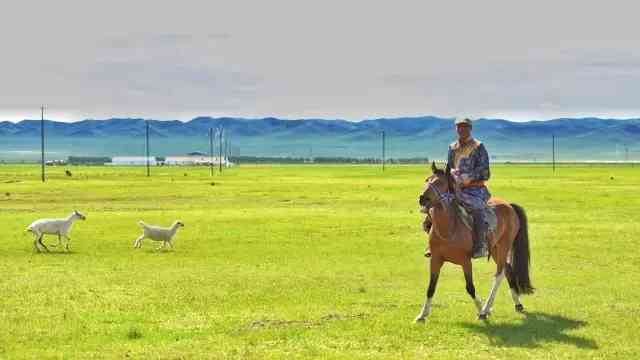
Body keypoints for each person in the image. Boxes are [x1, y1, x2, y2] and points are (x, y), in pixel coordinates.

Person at [446, 117, 491, 258]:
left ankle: (480, 246)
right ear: (456, 129)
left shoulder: (478, 146)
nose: (461, 130)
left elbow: (485, 171)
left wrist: (468, 178)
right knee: (437, 204)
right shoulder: (452, 147)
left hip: (475, 190)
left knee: (477, 209)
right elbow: (450, 167)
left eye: (465, 127)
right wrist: (451, 173)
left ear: (470, 129)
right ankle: (433, 243)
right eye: (459, 127)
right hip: (456, 189)